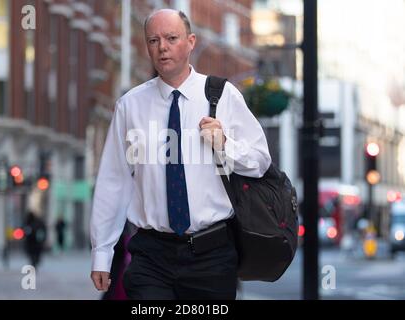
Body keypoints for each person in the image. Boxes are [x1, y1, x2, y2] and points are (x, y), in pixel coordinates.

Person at [90, 9, 271, 299]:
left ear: (190, 42)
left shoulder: (223, 96)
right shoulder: (129, 106)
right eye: (153, 40)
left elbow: (260, 162)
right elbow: (114, 182)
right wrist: (102, 253)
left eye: (171, 38)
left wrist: (225, 143)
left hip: (211, 255)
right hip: (150, 256)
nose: (162, 47)